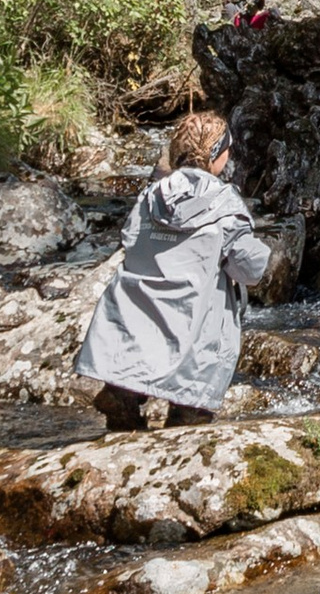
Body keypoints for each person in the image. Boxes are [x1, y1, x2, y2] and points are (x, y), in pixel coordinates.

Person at [74, 107, 271, 430]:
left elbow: (130, 238)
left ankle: (121, 392)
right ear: (217, 156)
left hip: (137, 310)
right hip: (195, 320)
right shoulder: (224, 203)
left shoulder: (152, 194)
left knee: (141, 323)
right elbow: (249, 268)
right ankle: (186, 414)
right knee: (207, 331)